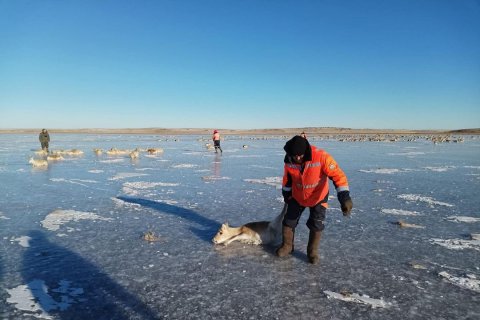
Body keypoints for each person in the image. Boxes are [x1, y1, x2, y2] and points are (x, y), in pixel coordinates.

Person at [278, 135, 353, 264]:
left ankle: (312, 252)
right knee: (288, 221)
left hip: (318, 196)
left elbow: (338, 175)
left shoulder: (321, 156)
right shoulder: (289, 159)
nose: (297, 158)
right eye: (294, 156)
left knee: (317, 224)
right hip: (297, 196)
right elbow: (287, 178)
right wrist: (286, 193)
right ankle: (288, 246)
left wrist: (344, 197)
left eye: (300, 155)